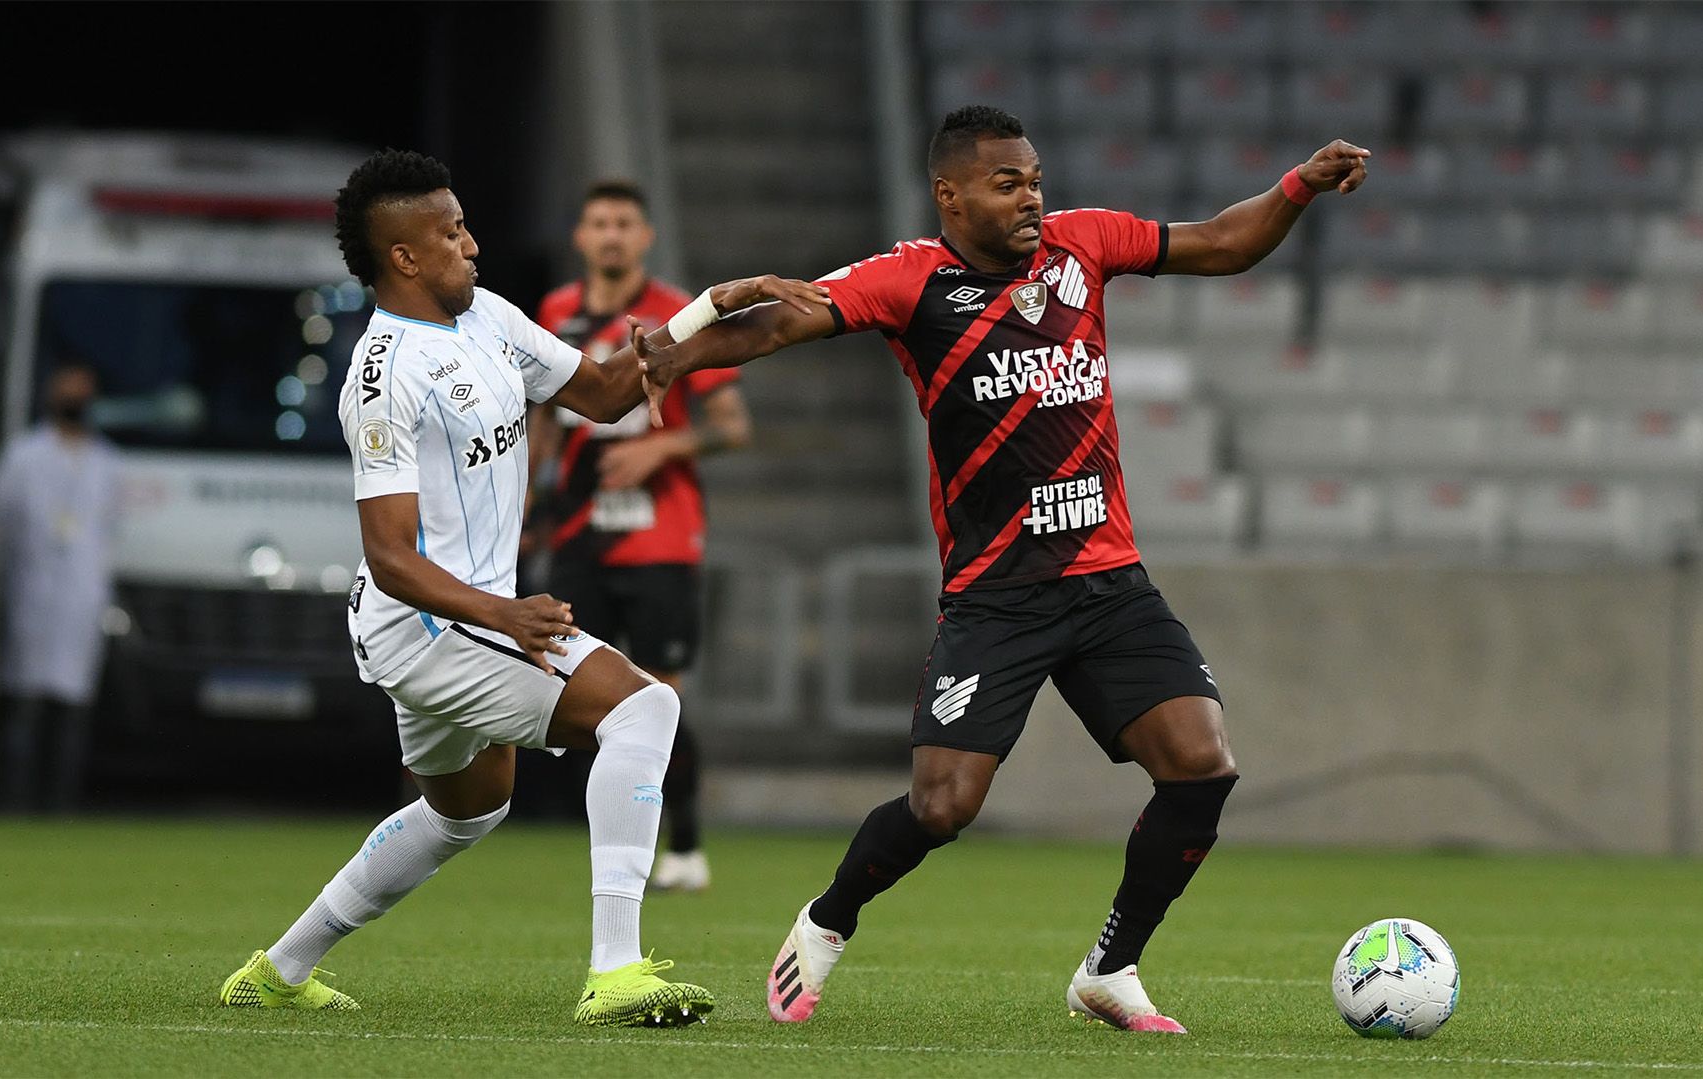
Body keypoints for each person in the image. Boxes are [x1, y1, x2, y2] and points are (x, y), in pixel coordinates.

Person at [635, 106, 1368, 1032]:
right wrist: (681, 352)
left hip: (1110, 583)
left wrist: (1298, 184)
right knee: (942, 806)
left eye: (1035, 180)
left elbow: (1223, 243)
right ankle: (826, 921)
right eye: (1007, 183)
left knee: (1201, 766)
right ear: (951, 193)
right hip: (997, 598)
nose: (1032, 197)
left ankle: (1111, 967)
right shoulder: (911, 279)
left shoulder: (1085, 244)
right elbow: (787, 320)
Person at [215, 149, 826, 1025]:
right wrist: (504, 611)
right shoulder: (382, 378)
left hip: (458, 617)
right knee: (644, 707)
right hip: (427, 622)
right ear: (405, 258)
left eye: (465, 223)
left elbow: (612, 392)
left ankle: (278, 969)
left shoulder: (489, 318)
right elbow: (390, 553)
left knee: (465, 811)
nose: (472, 241)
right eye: (451, 230)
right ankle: (614, 971)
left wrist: (706, 311)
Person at [526, 181, 752, 891]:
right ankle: (602, 838)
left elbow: (732, 424)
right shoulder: (556, 313)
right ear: (580, 238)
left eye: (625, 223)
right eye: (600, 223)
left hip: (661, 537)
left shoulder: (677, 316)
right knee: (569, 687)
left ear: (646, 235)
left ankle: (684, 843)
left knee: (660, 690)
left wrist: (660, 448)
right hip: (576, 530)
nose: (612, 235)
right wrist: (526, 496)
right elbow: (542, 418)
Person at [0, 364, 120, 812]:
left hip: (80, 601)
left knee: (72, 714)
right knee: (24, 711)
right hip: (32, 595)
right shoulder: (23, 456)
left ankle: (61, 806)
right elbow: (0, 522)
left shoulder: (106, 463)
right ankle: (14, 804)